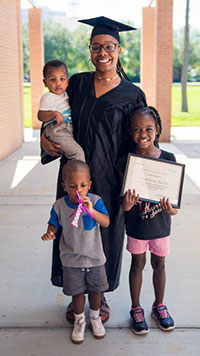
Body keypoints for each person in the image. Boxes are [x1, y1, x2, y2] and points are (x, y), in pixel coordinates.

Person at [40, 16, 147, 324]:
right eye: (96, 46)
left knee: (106, 234)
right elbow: (55, 116)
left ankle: (101, 296)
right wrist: (45, 139)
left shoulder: (132, 94)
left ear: (119, 49)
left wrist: (144, 180)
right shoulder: (77, 83)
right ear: (90, 50)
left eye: (109, 47)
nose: (103, 53)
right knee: (71, 233)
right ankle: (76, 295)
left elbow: (141, 138)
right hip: (75, 177)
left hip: (111, 179)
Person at [118, 105, 177, 335]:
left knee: (159, 265)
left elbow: (174, 206)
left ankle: (159, 305)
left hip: (161, 226)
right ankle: (136, 308)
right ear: (130, 133)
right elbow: (122, 201)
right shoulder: (126, 161)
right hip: (136, 226)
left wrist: (170, 210)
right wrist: (127, 204)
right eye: (137, 129)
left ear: (157, 129)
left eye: (148, 129)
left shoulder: (168, 158)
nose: (143, 134)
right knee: (137, 265)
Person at [41, 160, 110, 344]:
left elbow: (106, 222)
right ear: (64, 186)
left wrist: (92, 211)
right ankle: (79, 320)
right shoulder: (59, 205)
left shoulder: (95, 201)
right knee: (77, 292)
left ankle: (95, 317)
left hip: (94, 258)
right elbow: (53, 222)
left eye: (83, 185)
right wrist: (50, 232)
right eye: (72, 186)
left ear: (90, 184)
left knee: (96, 291)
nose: (78, 190)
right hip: (71, 259)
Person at [38, 59, 85, 162]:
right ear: (45, 82)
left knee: (70, 155)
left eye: (62, 79)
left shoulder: (64, 95)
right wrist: (54, 114)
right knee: (77, 154)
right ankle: (81, 176)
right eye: (52, 80)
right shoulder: (48, 97)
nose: (58, 83)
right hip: (57, 130)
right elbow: (40, 116)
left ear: (67, 81)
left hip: (66, 129)